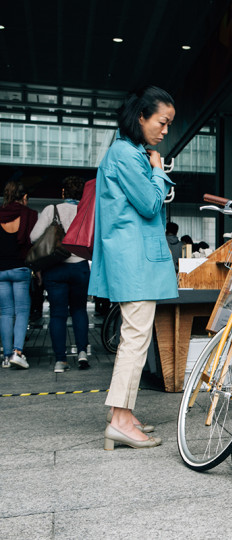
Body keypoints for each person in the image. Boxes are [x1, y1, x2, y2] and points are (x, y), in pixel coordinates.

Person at [89, 86, 178, 450]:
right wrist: (158, 171)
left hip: (132, 259)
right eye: (162, 122)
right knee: (135, 339)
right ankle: (122, 420)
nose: (165, 130)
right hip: (135, 261)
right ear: (140, 117)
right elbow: (149, 202)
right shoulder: (126, 155)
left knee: (134, 337)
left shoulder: (124, 152)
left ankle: (120, 415)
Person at [30, 176, 91, 372]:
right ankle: (82, 353)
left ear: (63, 192)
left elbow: (33, 237)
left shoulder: (51, 210)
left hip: (55, 269)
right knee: (79, 310)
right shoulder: (87, 211)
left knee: (57, 315)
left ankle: (60, 361)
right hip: (80, 267)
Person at [0, 180, 37, 369]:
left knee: (5, 313)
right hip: (20, 268)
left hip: (1, 270)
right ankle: (17, 352)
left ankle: (6, 356)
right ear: (23, 197)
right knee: (22, 311)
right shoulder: (29, 215)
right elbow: (35, 239)